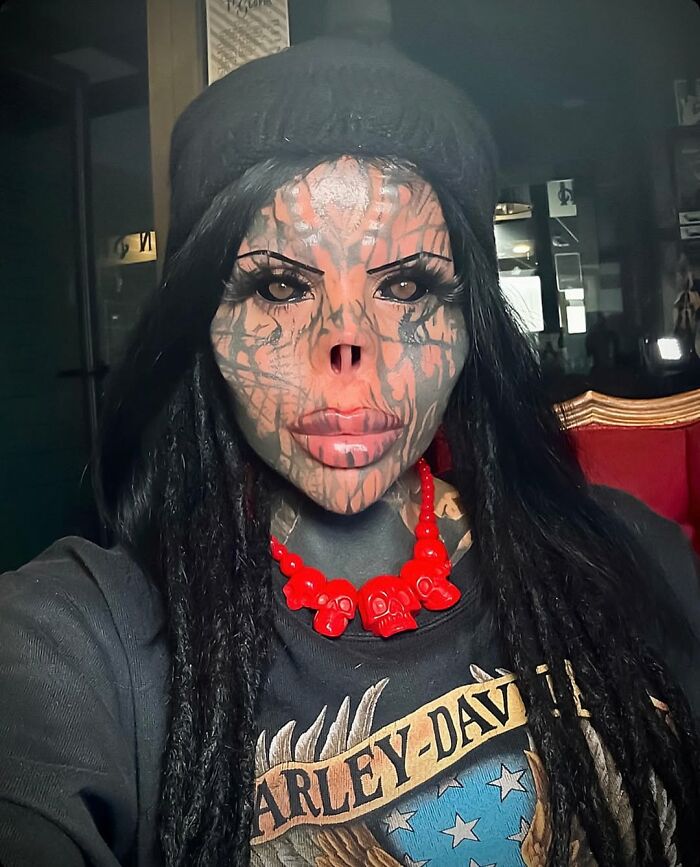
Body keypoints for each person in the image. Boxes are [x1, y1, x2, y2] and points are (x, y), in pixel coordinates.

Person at [1, 35, 699, 867]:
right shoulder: (81, 639)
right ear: (202, 321)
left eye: (405, 286)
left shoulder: (634, 557)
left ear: (468, 321)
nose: (345, 346)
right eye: (279, 286)